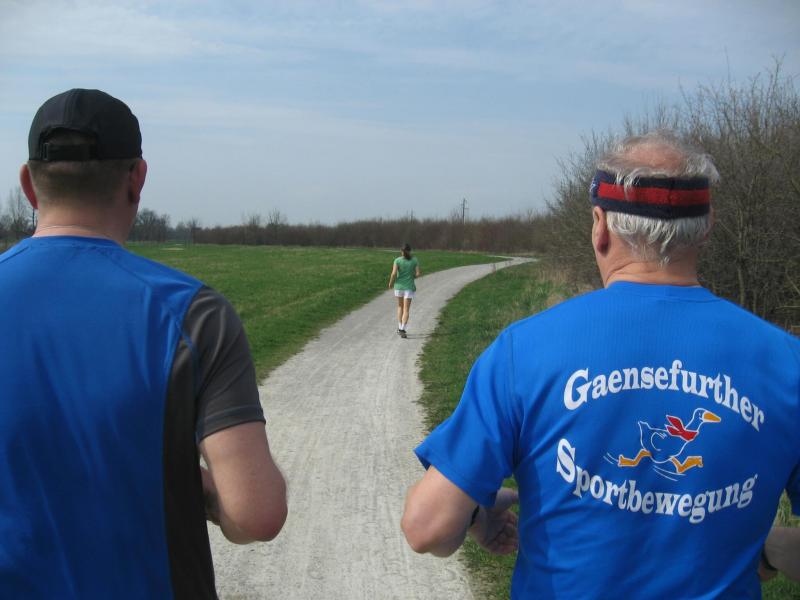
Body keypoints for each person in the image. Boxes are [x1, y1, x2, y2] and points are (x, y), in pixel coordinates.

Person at [401, 130, 800, 598]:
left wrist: (476, 513)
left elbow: (427, 528)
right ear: (707, 226)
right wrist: (771, 548)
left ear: (600, 226)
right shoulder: (786, 362)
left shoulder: (524, 351)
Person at [0, 89, 287, 599]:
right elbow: (256, 514)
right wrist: (197, 485)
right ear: (137, 179)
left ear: (28, 184)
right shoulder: (195, 314)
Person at [388, 242, 421, 338]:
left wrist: (390, 283)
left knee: (400, 307)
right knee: (406, 309)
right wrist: (413, 276)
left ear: (401, 251)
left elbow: (394, 273)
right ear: (410, 251)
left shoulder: (397, 260)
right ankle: (402, 328)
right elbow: (418, 274)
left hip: (399, 286)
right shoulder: (414, 260)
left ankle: (399, 327)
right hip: (409, 287)